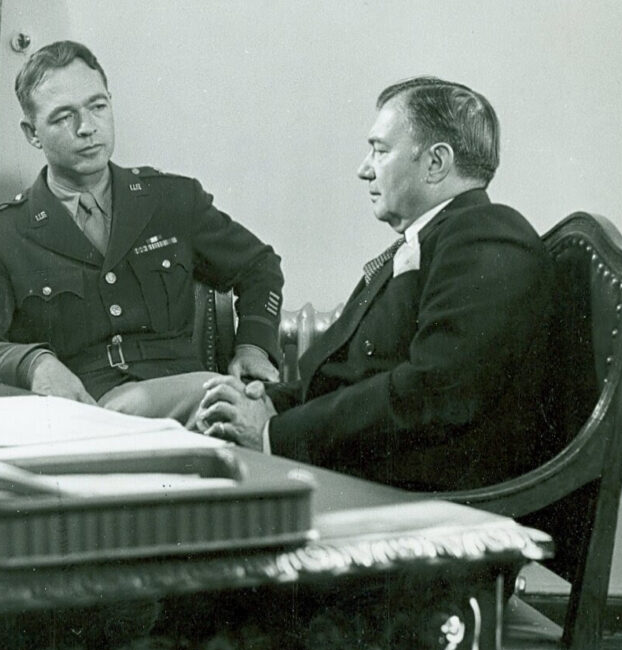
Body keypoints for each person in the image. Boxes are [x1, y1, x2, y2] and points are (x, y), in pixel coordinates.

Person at [198, 76, 556, 492]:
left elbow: (434, 393)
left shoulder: (486, 235)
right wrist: (269, 401)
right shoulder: (442, 235)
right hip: (380, 478)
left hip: (428, 501)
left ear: (436, 163)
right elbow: (359, 376)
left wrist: (273, 435)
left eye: (380, 150)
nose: (363, 169)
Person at [0, 41, 284, 422]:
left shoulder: (171, 201)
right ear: (32, 133)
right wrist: (34, 364)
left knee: (248, 409)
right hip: (84, 412)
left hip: (188, 397)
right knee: (244, 411)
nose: (87, 128)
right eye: (62, 117)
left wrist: (254, 345)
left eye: (97, 107)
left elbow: (259, 265)